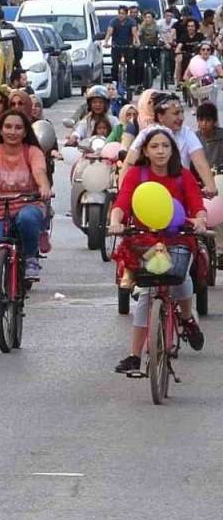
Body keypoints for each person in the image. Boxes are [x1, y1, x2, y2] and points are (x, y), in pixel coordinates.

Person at [109, 128, 207, 374]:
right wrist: (115, 221)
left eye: (166, 146)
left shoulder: (183, 176)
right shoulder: (136, 175)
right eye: (154, 146)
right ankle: (134, 355)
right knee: (146, 293)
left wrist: (200, 220)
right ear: (145, 151)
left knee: (180, 277)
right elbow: (122, 204)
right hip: (145, 241)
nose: (160, 151)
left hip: (178, 240)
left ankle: (186, 318)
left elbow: (197, 206)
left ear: (173, 150)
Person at [0, 110, 52, 333]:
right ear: (0, 130)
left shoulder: (32, 151)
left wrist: (43, 187)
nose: (12, 132)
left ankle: (31, 258)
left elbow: (40, 172)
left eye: (18, 127)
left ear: (25, 132)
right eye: (8, 127)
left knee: (27, 218)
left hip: (27, 205)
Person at [122, 94, 220, 197]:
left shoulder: (187, 133)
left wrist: (211, 187)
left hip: (179, 192)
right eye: (176, 113)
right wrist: (122, 194)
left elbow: (200, 162)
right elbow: (129, 163)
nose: (181, 117)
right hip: (148, 193)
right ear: (160, 117)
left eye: (182, 112)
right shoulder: (146, 134)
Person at [107, 5, 138, 83]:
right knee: (114, 65)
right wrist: (106, 42)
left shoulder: (131, 21)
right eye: (119, 13)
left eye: (123, 13)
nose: (121, 15)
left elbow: (134, 32)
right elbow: (109, 32)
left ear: (126, 14)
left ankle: (130, 83)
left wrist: (137, 41)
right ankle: (114, 81)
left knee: (130, 64)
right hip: (116, 46)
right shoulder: (113, 21)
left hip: (128, 46)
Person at [196, 101, 223, 167]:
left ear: (215, 121)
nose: (204, 123)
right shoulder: (194, 138)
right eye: (201, 120)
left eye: (208, 120)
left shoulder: (221, 136)